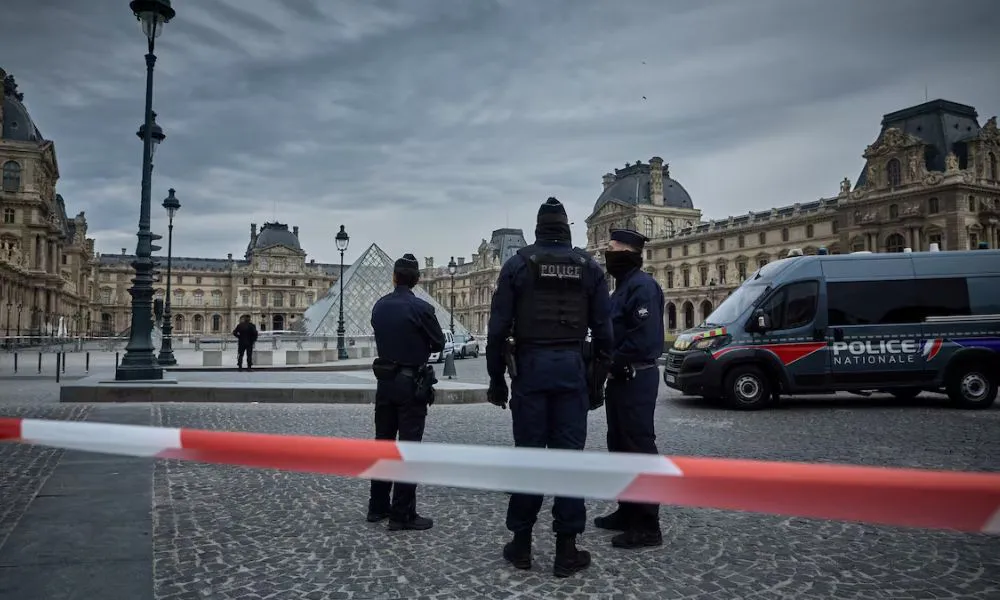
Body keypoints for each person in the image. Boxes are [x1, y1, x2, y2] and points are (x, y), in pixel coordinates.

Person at [486, 197, 614, 578]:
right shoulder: (589, 267)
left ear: (539, 228)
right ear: (568, 228)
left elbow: (496, 333)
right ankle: (566, 549)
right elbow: (605, 335)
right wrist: (597, 383)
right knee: (569, 461)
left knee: (528, 458)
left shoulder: (517, 265)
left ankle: (521, 546)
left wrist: (497, 380)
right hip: (572, 368)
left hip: (530, 369)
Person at [593, 229, 666, 548]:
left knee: (639, 448)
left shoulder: (643, 287)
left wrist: (613, 359)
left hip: (636, 376)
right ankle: (627, 510)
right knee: (619, 446)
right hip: (621, 378)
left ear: (628, 252)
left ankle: (648, 525)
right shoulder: (622, 288)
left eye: (611, 248)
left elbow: (645, 339)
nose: (607, 254)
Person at [368, 253, 446, 531]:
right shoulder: (422, 308)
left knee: (383, 445)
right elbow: (438, 343)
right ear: (417, 280)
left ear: (394, 277)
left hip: (384, 382)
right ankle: (402, 514)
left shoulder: (379, 306)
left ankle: (377, 507)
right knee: (408, 449)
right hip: (411, 384)